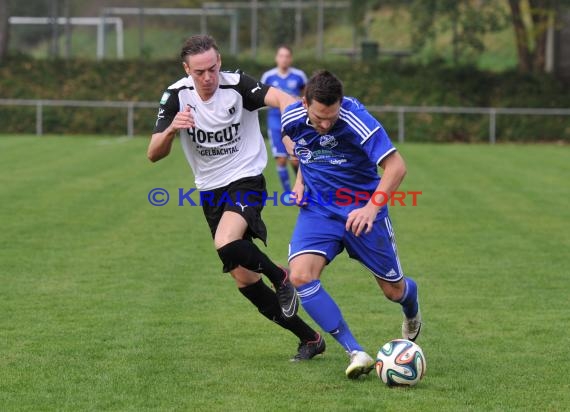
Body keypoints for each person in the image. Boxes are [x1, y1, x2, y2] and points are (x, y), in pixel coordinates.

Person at [147, 35, 325, 361]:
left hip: (246, 180)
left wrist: (288, 133)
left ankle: (282, 277)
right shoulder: (176, 96)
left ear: (219, 62)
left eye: (212, 68)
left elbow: (286, 99)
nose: (208, 77)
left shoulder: (238, 85)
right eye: (199, 72)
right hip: (210, 192)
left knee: (225, 242)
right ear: (187, 70)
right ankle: (310, 338)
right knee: (246, 282)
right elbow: (153, 154)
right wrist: (172, 129)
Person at [281, 70, 422, 378]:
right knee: (301, 276)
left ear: (341, 104)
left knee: (393, 291)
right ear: (304, 103)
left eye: (332, 117)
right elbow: (306, 151)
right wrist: (302, 182)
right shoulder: (290, 119)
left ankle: (411, 306)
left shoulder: (357, 119)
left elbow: (396, 166)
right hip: (319, 212)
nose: (326, 124)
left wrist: (372, 208)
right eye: (319, 117)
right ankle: (355, 351)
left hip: (363, 214)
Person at [260, 45, 307, 194]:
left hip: (294, 122)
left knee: (295, 158)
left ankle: (300, 186)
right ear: (276, 58)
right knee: (281, 159)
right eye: (281, 56)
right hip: (275, 121)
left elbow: (306, 95)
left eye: (287, 56)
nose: (284, 59)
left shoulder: (299, 76)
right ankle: (288, 193)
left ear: (291, 59)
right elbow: (262, 95)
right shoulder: (268, 76)